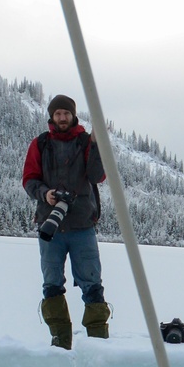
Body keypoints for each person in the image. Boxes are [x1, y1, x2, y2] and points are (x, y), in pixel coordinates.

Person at [22, 94, 110, 347]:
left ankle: (98, 346)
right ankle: (60, 344)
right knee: (51, 285)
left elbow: (97, 175)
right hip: (50, 226)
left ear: (73, 116)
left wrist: (95, 145)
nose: (62, 118)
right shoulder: (40, 144)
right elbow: (29, 179)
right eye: (58, 113)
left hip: (82, 225)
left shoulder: (85, 141)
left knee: (92, 284)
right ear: (52, 116)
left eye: (66, 113)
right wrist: (45, 194)